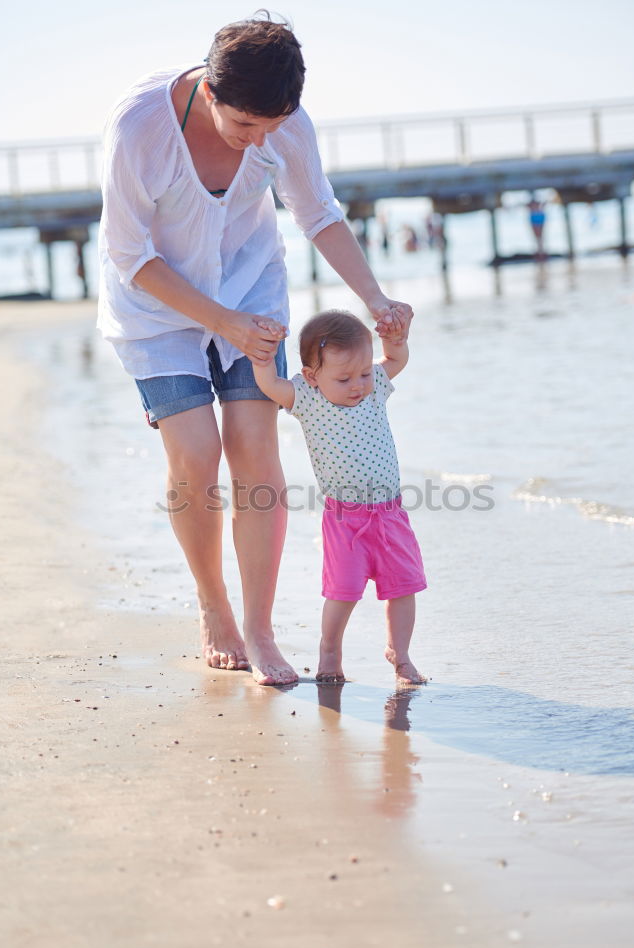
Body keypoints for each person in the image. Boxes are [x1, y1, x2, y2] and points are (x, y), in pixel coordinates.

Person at [97, 14, 413, 686]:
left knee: (254, 448)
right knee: (195, 454)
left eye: (271, 128)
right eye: (245, 128)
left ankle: (262, 630)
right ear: (209, 93)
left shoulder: (285, 124)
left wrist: (375, 299)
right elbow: (129, 254)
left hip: (252, 292)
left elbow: (318, 213)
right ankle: (215, 608)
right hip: (157, 310)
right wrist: (219, 322)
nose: (258, 142)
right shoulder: (138, 128)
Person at [252, 310, 427, 686]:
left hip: (391, 515)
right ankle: (329, 651)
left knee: (404, 586)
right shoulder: (307, 399)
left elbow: (394, 359)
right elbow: (270, 386)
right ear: (313, 377)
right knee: (343, 591)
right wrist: (263, 359)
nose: (358, 385)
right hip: (345, 519)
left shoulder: (375, 386)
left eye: (363, 373)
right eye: (344, 378)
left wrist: (393, 340)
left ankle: (401, 654)